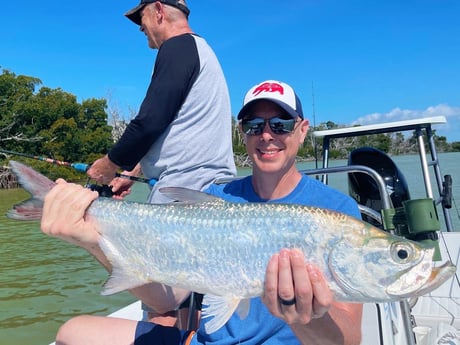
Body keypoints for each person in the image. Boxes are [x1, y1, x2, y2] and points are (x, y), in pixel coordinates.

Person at [41, 80, 363, 344]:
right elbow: (167, 300)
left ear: (302, 129)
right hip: (203, 341)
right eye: (254, 125)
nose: (267, 135)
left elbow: (348, 339)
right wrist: (92, 240)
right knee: (73, 332)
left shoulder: (336, 212)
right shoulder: (214, 198)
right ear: (242, 131)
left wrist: (305, 319)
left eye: (281, 124)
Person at [86, 0, 236, 325]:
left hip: (182, 195)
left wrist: (108, 165)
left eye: (141, 19)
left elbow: (150, 121)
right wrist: (133, 172)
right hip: (208, 195)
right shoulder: (200, 51)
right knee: (194, 297)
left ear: (158, 10)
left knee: (162, 305)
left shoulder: (177, 47)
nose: (141, 28)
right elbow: (176, 127)